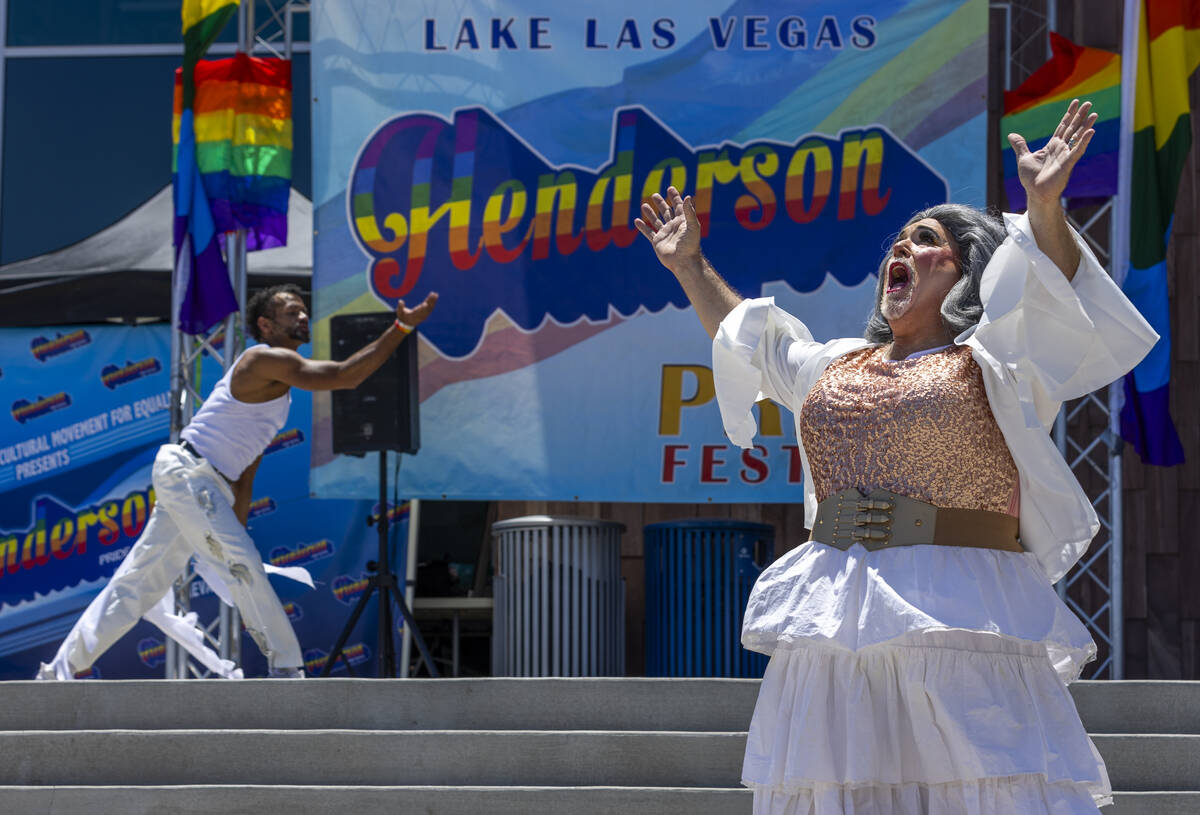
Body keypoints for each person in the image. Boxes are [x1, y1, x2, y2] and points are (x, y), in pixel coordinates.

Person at [636, 99, 1156, 813]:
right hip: (838, 613)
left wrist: (1043, 206)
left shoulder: (996, 356)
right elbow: (753, 343)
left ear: (966, 271)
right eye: (900, 241)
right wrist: (690, 264)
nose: (901, 249)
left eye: (927, 239)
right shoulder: (836, 363)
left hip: (959, 608)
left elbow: (1052, 293)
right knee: (844, 793)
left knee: (980, 787)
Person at [38, 285, 438, 679]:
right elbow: (345, 376)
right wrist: (399, 329)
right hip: (189, 473)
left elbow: (246, 468)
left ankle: (60, 670)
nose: (303, 317)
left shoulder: (279, 392)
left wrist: (237, 525)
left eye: (303, 311)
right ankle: (286, 668)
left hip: (201, 481)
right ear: (265, 324)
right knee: (243, 565)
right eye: (291, 311)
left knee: (138, 582)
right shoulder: (260, 360)